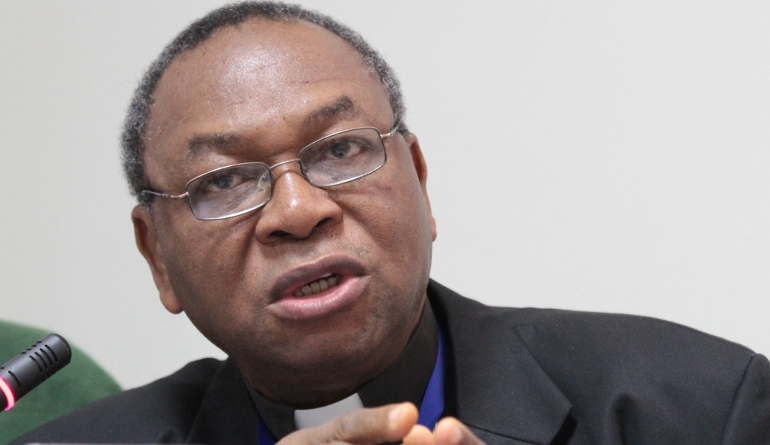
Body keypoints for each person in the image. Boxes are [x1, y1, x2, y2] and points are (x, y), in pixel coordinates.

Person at [11, 2, 770, 445]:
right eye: (225, 181)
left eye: (340, 150)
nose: (298, 211)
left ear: (421, 181)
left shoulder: (701, 406)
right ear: (159, 260)